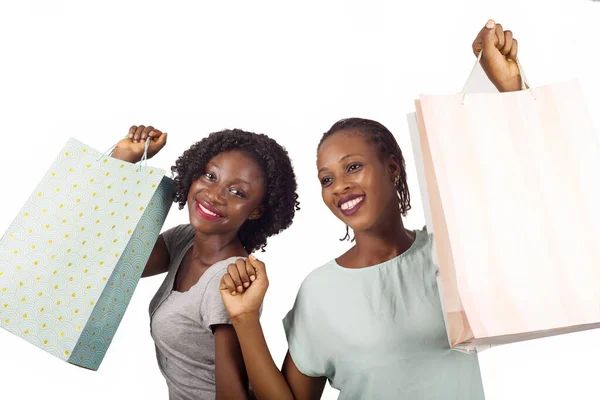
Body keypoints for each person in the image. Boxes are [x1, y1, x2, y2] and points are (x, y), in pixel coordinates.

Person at [218, 19, 522, 399]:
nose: (339, 186)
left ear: (392, 167)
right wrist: (245, 319)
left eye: (353, 167)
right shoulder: (320, 292)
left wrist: (509, 90)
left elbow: (511, 195)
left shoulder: (448, 251)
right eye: (326, 179)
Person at [111, 126, 299, 399]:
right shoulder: (185, 240)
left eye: (237, 192)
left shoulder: (228, 279)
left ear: (257, 210)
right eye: (210, 176)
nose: (213, 194)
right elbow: (117, 261)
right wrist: (124, 158)